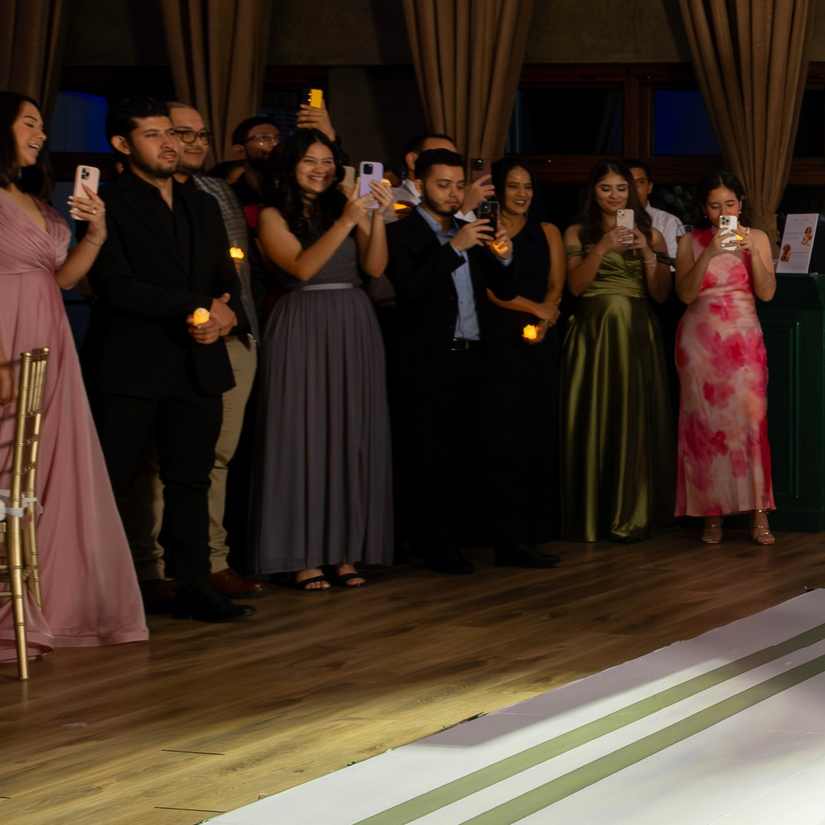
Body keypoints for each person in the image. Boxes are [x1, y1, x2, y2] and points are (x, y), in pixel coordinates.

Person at [82, 99, 250, 623]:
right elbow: (115, 287)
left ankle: (196, 586)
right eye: (154, 135)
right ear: (122, 145)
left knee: (191, 478)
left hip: (197, 358)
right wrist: (198, 307)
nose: (169, 143)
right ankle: (98, 594)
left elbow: (226, 276)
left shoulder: (201, 203)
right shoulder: (106, 201)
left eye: (172, 134)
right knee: (116, 478)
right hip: (131, 362)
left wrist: (227, 315)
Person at [0, 91, 145, 656]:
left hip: (49, 339)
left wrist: (97, 233)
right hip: (2, 338)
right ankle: (2, 612)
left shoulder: (36, 198)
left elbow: (59, 279)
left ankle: (54, 605)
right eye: (29, 123)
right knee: (2, 465)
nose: (40, 134)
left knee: (47, 468)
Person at [384, 149, 558, 573]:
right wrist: (453, 247)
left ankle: (512, 542)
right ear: (421, 185)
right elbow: (409, 290)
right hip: (428, 361)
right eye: (443, 185)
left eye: (459, 185)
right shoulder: (402, 232)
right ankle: (439, 547)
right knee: (432, 458)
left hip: (480, 354)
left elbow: (502, 284)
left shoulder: (473, 227)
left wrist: (502, 255)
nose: (453, 193)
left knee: (500, 450)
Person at [251, 128, 394, 591]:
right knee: (300, 436)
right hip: (303, 320)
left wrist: (375, 218)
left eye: (328, 161)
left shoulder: (345, 207)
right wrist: (348, 220)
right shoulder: (274, 214)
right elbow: (301, 267)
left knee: (350, 436)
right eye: (310, 161)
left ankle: (343, 552)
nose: (321, 169)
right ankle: (301, 554)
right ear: (291, 166)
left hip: (354, 319)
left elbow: (373, 268)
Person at [560, 159, 674, 541]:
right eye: (606, 188)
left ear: (633, 192)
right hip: (594, 333)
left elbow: (661, 295)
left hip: (638, 331)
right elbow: (574, 288)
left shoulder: (652, 235)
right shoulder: (577, 232)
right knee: (595, 416)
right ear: (593, 191)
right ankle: (590, 514)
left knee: (635, 417)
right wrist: (602, 248)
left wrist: (647, 255)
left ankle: (634, 513)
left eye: (621, 189)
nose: (614, 196)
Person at [673, 173, 776, 545]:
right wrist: (711, 253)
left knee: (750, 423)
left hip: (744, 341)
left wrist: (749, 252)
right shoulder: (689, 241)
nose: (723, 213)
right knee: (704, 428)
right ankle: (710, 516)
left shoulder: (758, 237)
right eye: (715, 206)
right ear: (704, 208)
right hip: (699, 344)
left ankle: (759, 515)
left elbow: (767, 293)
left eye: (729, 204)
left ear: (741, 204)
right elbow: (684, 293)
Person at [477, 159, 565, 545]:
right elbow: (490, 292)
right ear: (497, 189)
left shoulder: (547, 231)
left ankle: (538, 530)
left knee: (539, 431)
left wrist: (545, 322)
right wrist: (536, 310)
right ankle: (503, 532)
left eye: (527, 187)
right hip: (498, 338)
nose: (522, 194)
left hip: (542, 341)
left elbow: (556, 287)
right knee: (502, 435)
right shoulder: (485, 230)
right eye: (513, 186)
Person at [628, 160, 687, 250]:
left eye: (640, 182)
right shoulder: (607, 220)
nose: (634, 188)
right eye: (629, 182)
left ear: (649, 187)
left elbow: (674, 262)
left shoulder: (668, 221)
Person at [225, 115, 281, 205]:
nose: (275, 144)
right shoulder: (229, 196)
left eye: (278, 139)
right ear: (240, 151)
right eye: (263, 138)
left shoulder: (288, 192)